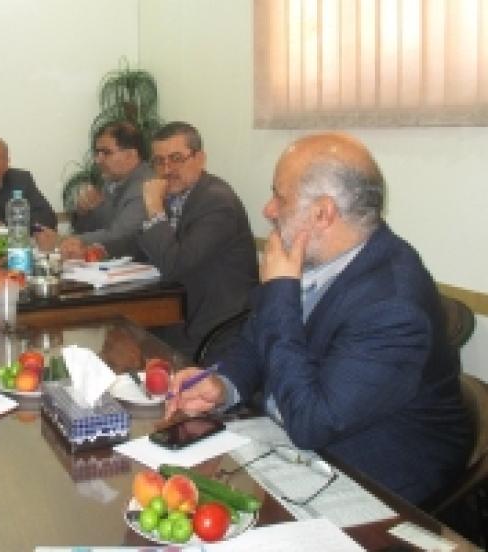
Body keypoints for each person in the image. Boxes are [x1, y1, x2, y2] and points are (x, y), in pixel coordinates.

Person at [166, 132, 472, 505]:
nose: (268, 210)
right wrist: (224, 384)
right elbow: (256, 339)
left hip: (373, 480)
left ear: (323, 213)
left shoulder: (392, 306)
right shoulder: (317, 255)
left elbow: (313, 424)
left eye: (280, 197)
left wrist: (280, 293)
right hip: (292, 445)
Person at [138, 122, 258, 359]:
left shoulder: (217, 202)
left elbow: (175, 264)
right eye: (159, 161)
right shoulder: (174, 196)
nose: (167, 169)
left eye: (176, 158)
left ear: (200, 159)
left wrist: (154, 209)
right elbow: (148, 248)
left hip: (217, 329)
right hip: (177, 315)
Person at [36, 121, 151, 259]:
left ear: (131, 155)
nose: (98, 160)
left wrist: (63, 240)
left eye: (106, 153)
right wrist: (84, 212)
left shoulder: (145, 186)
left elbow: (121, 235)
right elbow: (95, 228)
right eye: (97, 153)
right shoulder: (111, 181)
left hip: (142, 266)